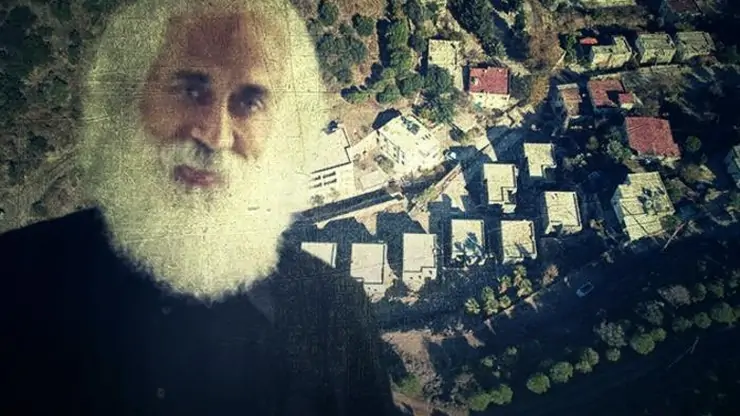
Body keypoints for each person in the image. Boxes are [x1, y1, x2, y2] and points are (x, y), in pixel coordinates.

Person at [1, 0, 401, 415]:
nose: (215, 135)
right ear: (131, 97)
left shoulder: (335, 313)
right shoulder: (14, 280)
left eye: (250, 101)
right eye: (191, 90)